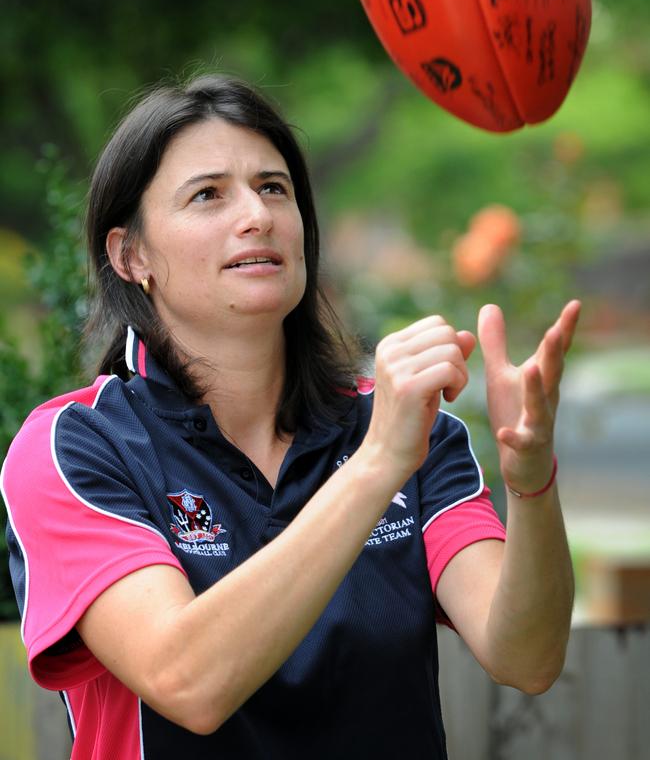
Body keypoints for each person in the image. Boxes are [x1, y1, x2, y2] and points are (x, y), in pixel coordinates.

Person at [1, 74, 580, 759]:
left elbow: (526, 656)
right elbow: (187, 681)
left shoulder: (412, 431)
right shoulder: (73, 447)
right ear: (132, 256)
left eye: (274, 188)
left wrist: (532, 481)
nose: (257, 214)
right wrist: (378, 464)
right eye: (208, 194)